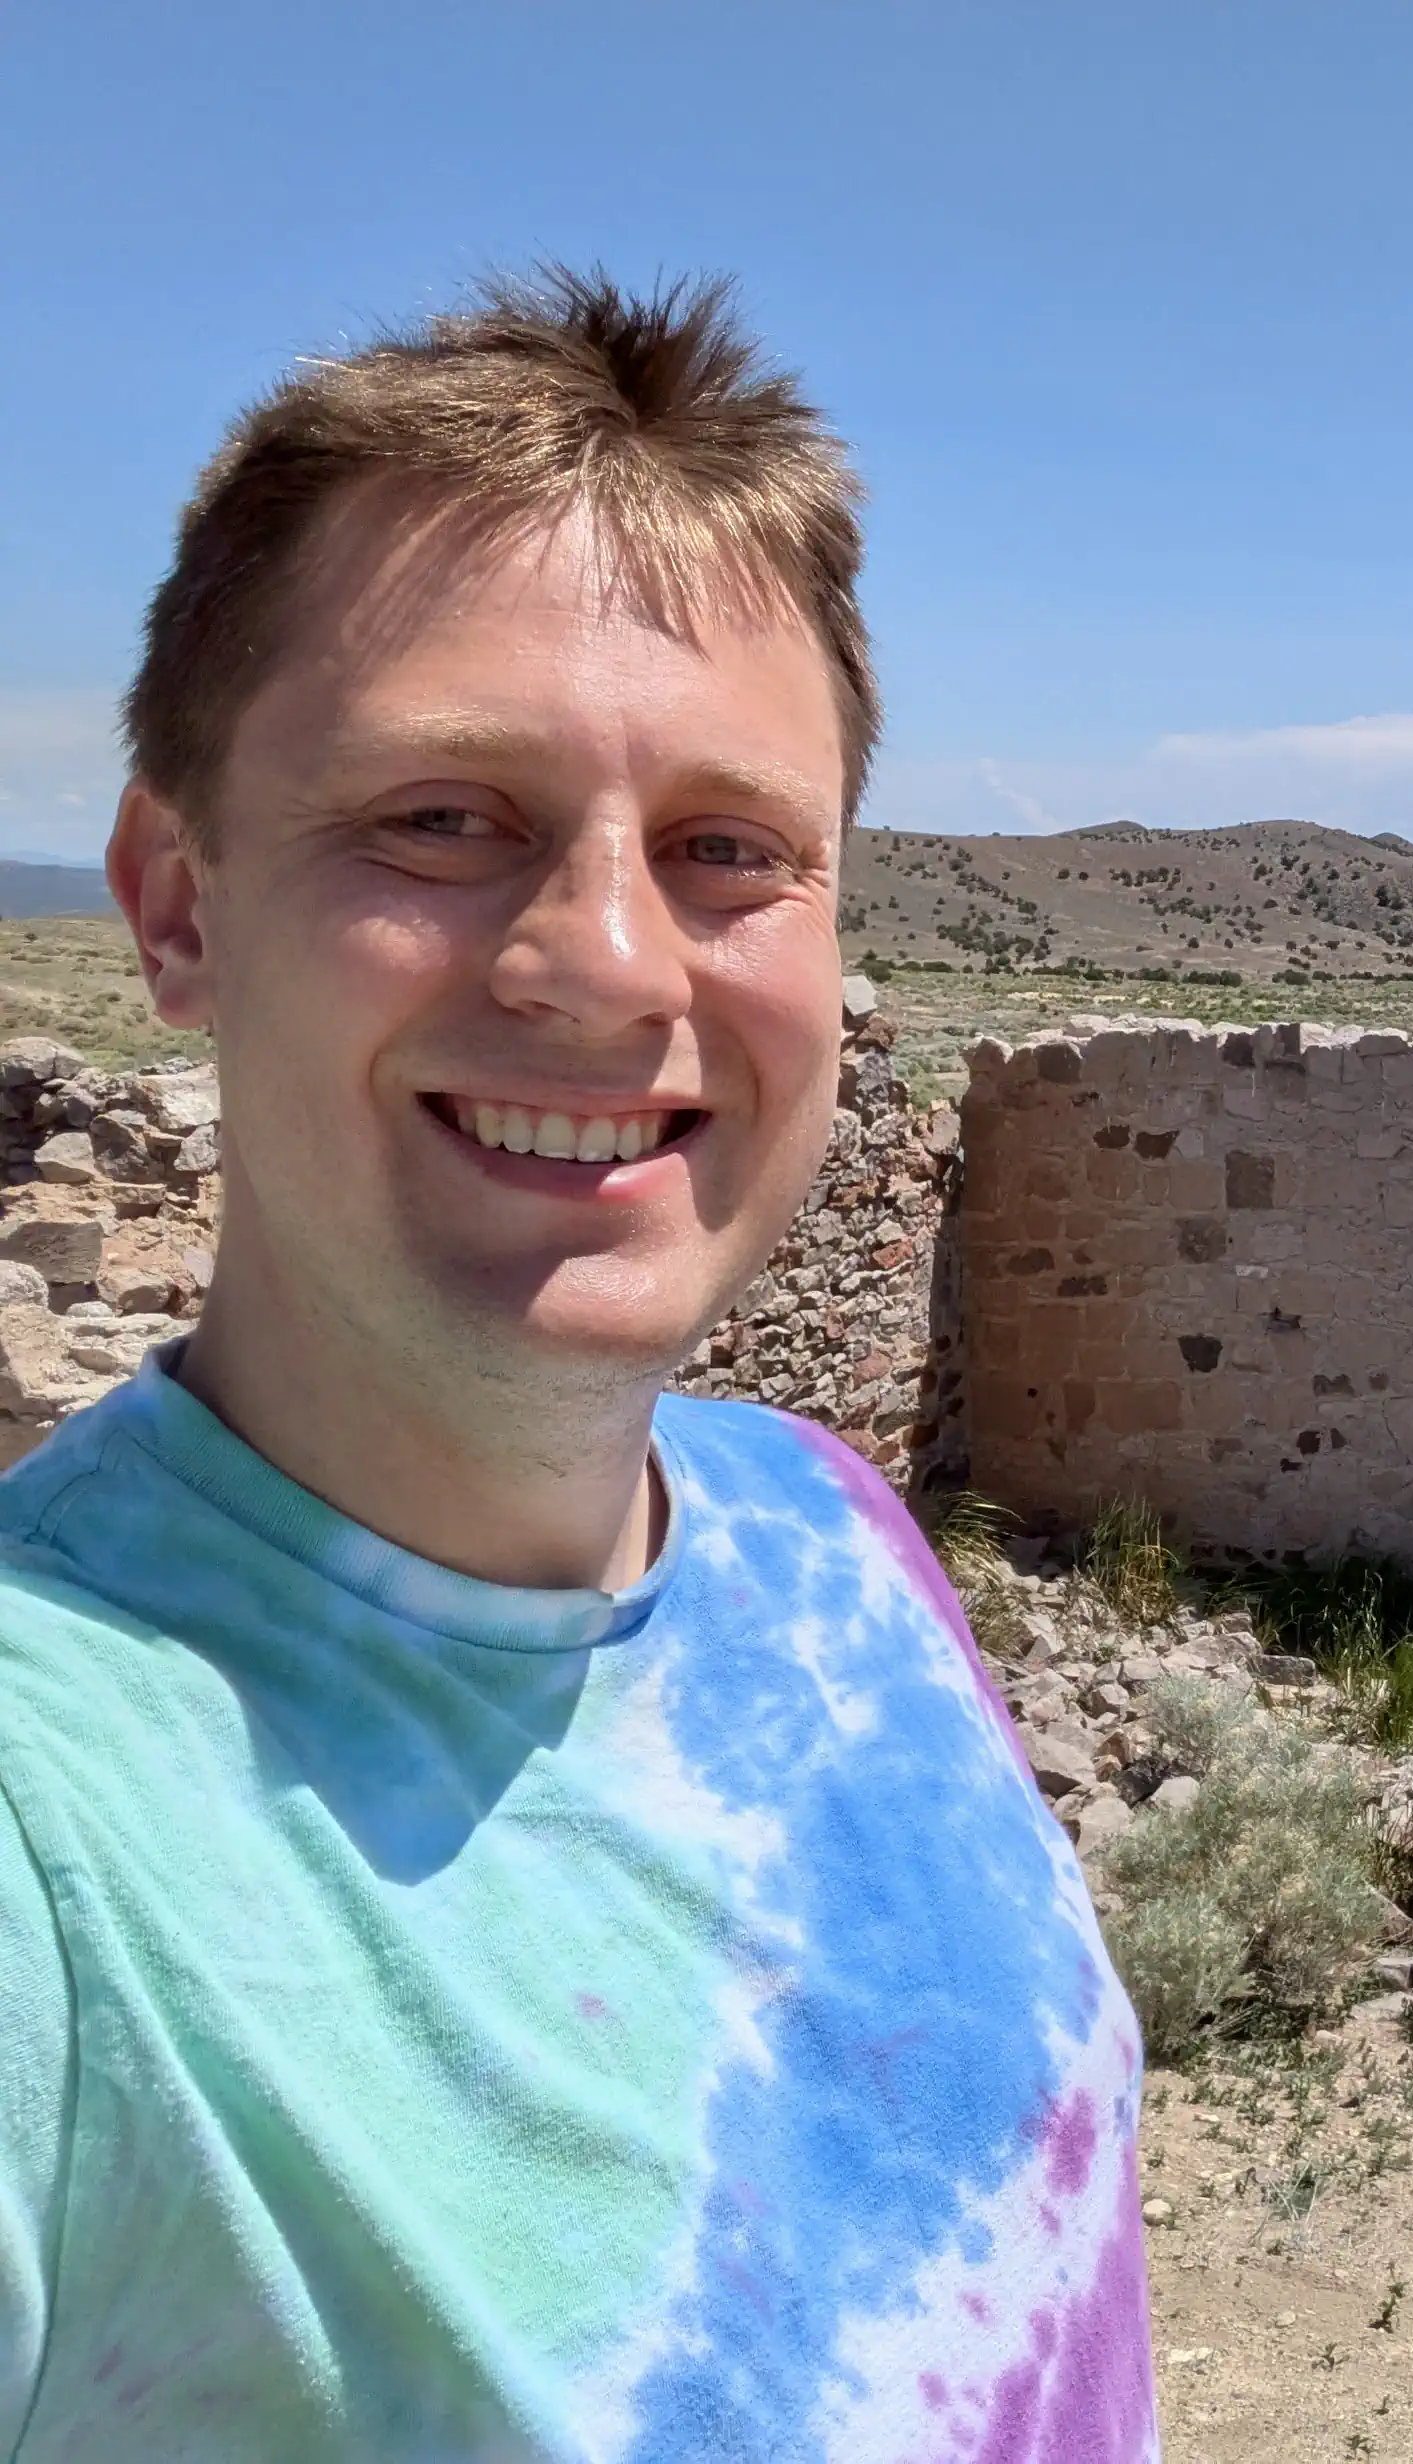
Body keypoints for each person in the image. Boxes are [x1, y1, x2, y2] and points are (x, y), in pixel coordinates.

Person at [0, 268, 1157, 2460]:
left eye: (730, 849)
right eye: (444, 815)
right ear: (172, 903)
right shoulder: (47, 1843)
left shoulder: (840, 1539)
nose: (610, 967)